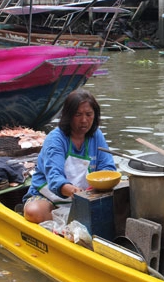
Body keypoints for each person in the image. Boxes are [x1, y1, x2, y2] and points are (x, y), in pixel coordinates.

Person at [22, 88, 116, 223]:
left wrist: (100, 185)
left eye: (89, 114)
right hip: (49, 197)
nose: (84, 120)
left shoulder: (97, 135)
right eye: (78, 115)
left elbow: (108, 167)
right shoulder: (56, 139)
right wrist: (73, 191)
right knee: (34, 212)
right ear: (68, 116)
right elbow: (54, 177)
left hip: (86, 195)